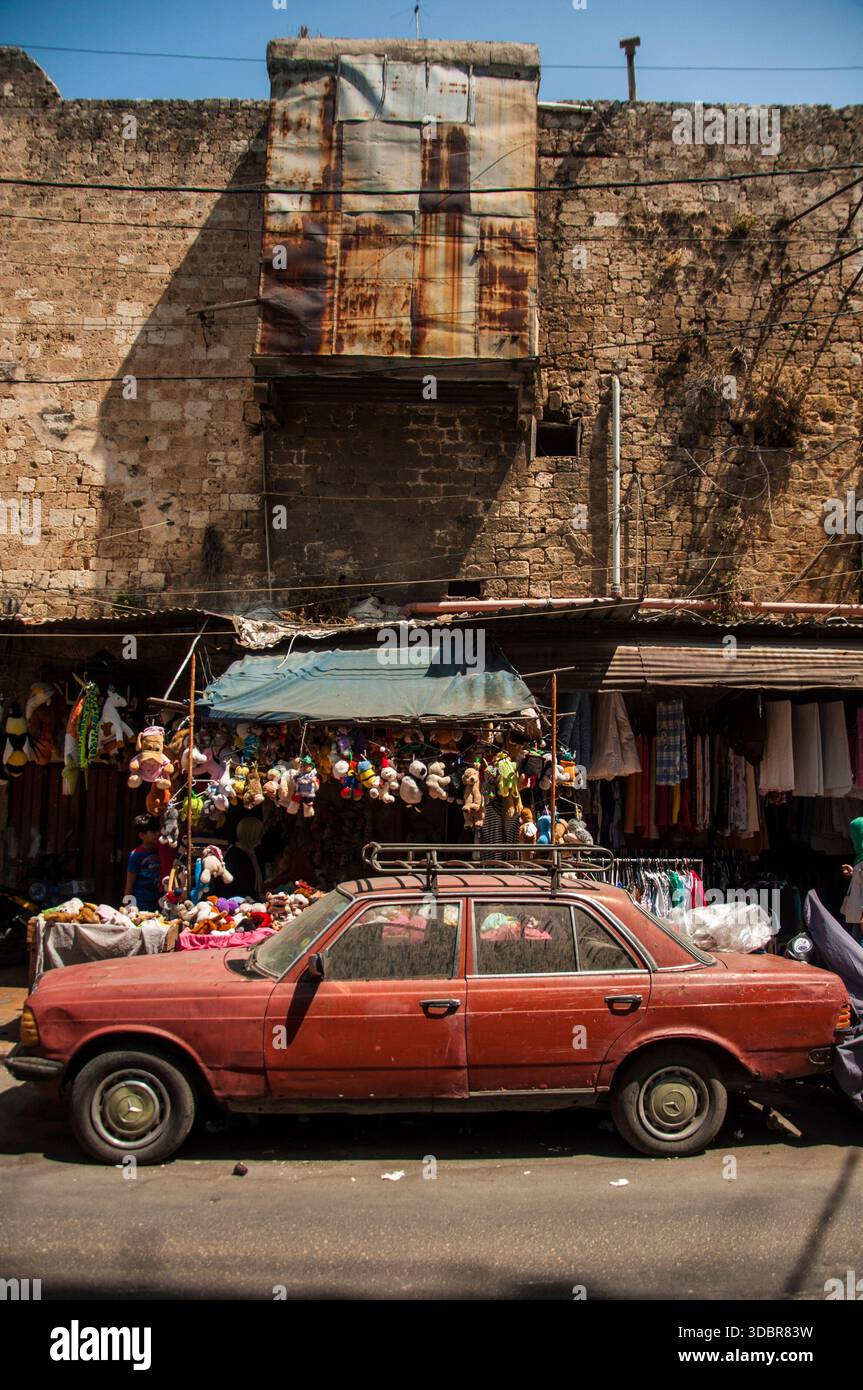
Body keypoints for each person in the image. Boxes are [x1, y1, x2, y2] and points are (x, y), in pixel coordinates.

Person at [123, 814, 166, 913]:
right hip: (141, 901)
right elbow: (129, 882)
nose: (157, 834)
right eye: (153, 832)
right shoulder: (136, 855)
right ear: (142, 836)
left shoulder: (160, 851)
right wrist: (127, 906)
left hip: (158, 900)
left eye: (158, 831)